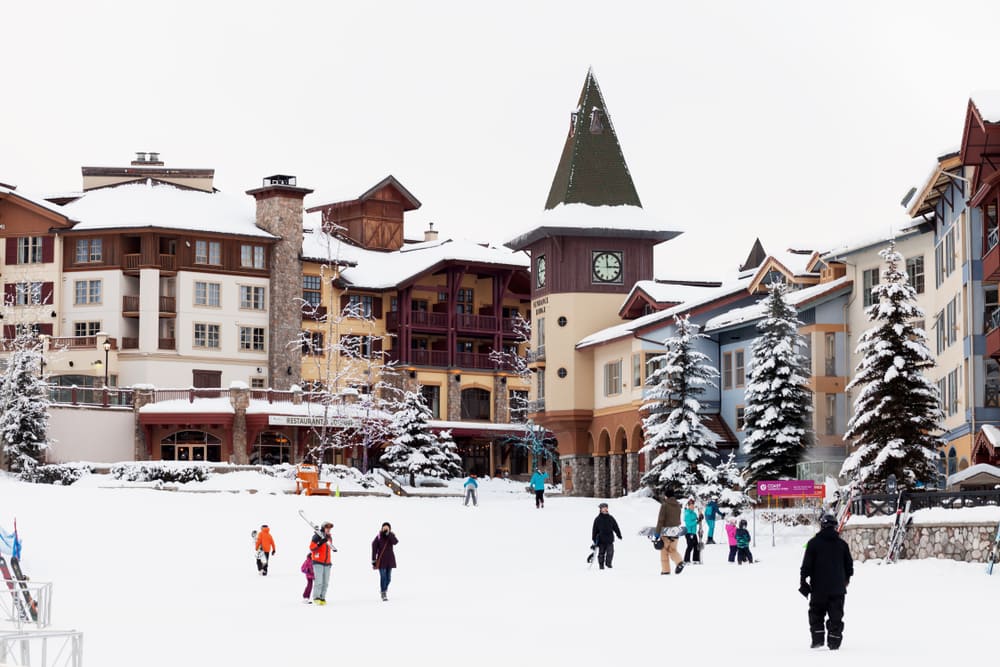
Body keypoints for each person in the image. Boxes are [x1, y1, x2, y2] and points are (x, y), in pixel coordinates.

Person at [800, 513, 854, 650]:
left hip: (818, 588)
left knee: (816, 613)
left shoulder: (813, 544)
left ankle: (817, 640)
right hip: (838, 588)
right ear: (835, 526)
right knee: (836, 615)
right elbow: (849, 566)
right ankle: (834, 642)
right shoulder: (843, 545)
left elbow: (806, 566)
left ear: (822, 526)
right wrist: (846, 580)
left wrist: (803, 582)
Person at [656, 489, 685, 574]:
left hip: (666, 532)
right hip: (676, 532)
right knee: (672, 550)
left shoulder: (664, 505)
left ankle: (666, 570)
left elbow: (661, 520)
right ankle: (679, 562)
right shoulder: (678, 505)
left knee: (664, 551)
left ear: (666, 496)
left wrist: (657, 533)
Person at [309, 521, 335, 605]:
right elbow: (312, 548)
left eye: (329, 528)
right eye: (327, 528)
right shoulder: (317, 536)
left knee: (326, 582)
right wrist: (320, 543)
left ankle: (322, 597)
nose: (328, 530)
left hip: (327, 563)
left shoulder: (329, 537)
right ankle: (316, 597)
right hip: (318, 562)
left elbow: (328, 549)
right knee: (319, 581)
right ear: (323, 528)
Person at [371, 522, 399, 601]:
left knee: (389, 578)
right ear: (382, 528)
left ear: (389, 528)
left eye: (387, 527)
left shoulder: (391, 535)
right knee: (383, 577)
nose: (385, 528)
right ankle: (383, 593)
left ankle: (384, 590)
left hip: (390, 560)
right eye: (384, 527)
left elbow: (395, 542)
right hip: (381, 560)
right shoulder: (379, 536)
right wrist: (373, 559)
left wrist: (388, 534)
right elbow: (374, 546)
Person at [591, 502, 623, 570]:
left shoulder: (611, 518)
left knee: (610, 552)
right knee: (601, 554)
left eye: (606, 508)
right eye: (603, 508)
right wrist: (594, 539)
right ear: (600, 509)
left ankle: (608, 564)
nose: (605, 509)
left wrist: (619, 534)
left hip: (609, 539)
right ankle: (601, 565)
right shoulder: (597, 519)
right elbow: (594, 530)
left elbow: (615, 527)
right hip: (601, 540)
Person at [683, 499, 702, 564]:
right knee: (690, 546)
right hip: (688, 532)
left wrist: (700, 517)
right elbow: (689, 524)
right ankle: (686, 560)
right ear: (688, 506)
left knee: (696, 546)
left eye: (693, 505)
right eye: (691, 506)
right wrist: (696, 521)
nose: (692, 507)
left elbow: (697, 519)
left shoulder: (694, 513)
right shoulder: (687, 513)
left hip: (693, 532)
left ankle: (695, 559)